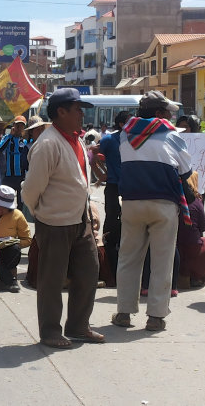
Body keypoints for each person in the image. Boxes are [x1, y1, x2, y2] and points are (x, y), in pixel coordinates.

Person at [22, 88, 103, 349]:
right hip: (54, 222)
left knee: (89, 272)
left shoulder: (76, 139)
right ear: (61, 112)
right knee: (51, 281)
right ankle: (50, 332)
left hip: (80, 220)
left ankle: (78, 326)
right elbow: (31, 190)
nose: (82, 114)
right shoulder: (47, 144)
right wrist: (40, 213)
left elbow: (80, 180)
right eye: (77, 109)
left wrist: (87, 209)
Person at [112, 90, 192, 332]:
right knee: (162, 260)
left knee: (128, 258)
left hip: (132, 203)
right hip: (163, 204)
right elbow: (186, 170)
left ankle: (124, 312)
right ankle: (156, 317)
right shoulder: (170, 134)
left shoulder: (125, 135)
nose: (170, 116)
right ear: (159, 114)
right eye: (167, 111)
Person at [91, 111, 132, 283]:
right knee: (111, 229)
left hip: (133, 188)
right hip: (114, 188)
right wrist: (102, 175)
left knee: (130, 227)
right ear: (122, 124)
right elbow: (93, 155)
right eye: (130, 122)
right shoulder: (109, 139)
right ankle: (110, 271)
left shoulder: (136, 139)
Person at [0, 185, 31, 293]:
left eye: (4, 207)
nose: (0, 209)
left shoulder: (18, 216)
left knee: (14, 249)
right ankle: (10, 281)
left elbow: (27, 239)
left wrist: (13, 242)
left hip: (8, 250)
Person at [0, 116, 27, 210]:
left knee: (20, 204)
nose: (19, 128)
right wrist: (10, 135)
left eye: (21, 126)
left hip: (21, 177)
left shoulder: (25, 141)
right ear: (13, 125)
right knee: (6, 203)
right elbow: (0, 148)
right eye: (17, 125)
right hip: (9, 176)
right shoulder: (7, 138)